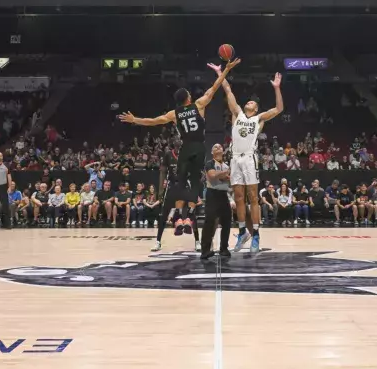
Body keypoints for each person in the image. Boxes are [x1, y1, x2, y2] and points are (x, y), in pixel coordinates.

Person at [119, 59, 240, 240]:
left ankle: (177, 216)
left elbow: (153, 121)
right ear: (188, 98)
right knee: (196, 182)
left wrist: (135, 119)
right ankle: (190, 213)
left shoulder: (173, 114)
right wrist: (225, 70)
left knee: (179, 183)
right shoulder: (198, 105)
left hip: (185, 148)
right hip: (199, 147)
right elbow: (215, 87)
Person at [219, 71, 283, 252]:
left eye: (252, 102)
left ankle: (255, 235)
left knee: (253, 198)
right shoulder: (237, 113)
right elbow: (228, 90)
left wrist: (277, 89)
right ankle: (242, 233)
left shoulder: (258, 118)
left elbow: (278, 109)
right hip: (235, 158)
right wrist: (220, 73)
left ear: (255, 109)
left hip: (249, 158)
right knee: (239, 198)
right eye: (248, 101)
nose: (249, 102)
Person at [200, 144, 233, 260]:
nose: (218, 148)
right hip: (212, 194)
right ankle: (205, 250)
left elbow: (229, 180)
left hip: (223, 194)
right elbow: (212, 176)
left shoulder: (226, 165)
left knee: (227, 220)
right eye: (215, 147)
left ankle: (224, 248)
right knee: (209, 221)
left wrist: (223, 176)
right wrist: (224, 174)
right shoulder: (210, 163)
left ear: (223, 151)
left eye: (220, 147)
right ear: (212, 152)